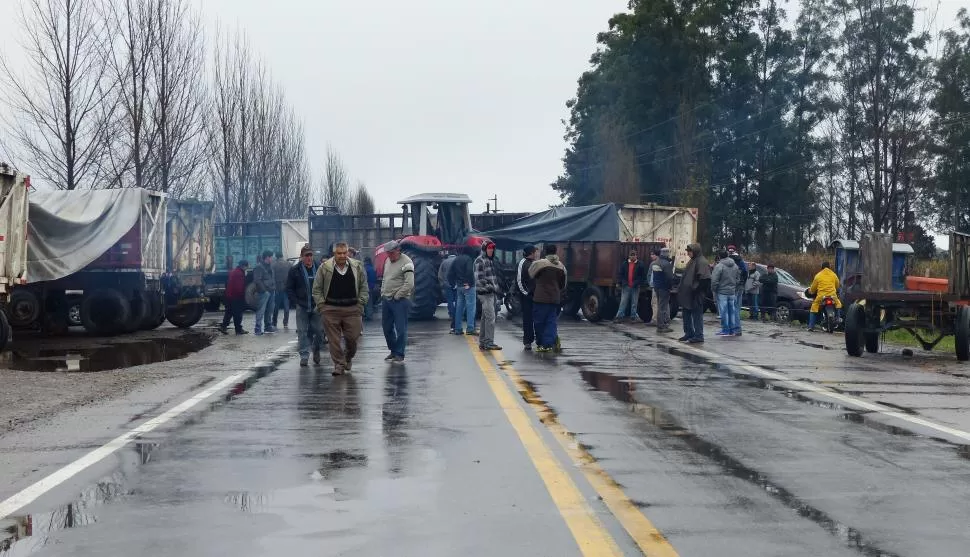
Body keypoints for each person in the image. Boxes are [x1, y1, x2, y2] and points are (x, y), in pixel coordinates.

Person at [313, 242, 368, 375]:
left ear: (348, 252)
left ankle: (348, 357)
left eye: (344, 253)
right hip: (331, 309)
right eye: (339, 253)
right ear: (334, 253)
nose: (342, 256)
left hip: (352, 309)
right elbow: (317, 289)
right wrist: (322, 306)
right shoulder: (324, 267)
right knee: (334, 340)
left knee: (352, 338)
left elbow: (363, 287)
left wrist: (360, 304)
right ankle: (338, 364)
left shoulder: (357, 266)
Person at [287, 245, 325, 366]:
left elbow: (326, 286)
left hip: (317, 306)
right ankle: (304, 356)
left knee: (319, 332)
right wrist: (295, 302)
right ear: (302, 257)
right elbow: (289, 288)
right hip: (302, 306)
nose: (309, 258)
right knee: (302, 332)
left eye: (310, 255)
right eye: (306, 255)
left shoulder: (320, 268)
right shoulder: (295, 270)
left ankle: (316, 348)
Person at [380, 240, 415, 363]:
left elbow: (409, 283)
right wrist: (383, 292)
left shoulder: (407, 262)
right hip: (386, 299)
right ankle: (393, 351)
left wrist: (398, 295)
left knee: (401, 329)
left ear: (398, 250)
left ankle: (400, 353)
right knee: (386, 327)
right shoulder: (387, 261)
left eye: (391, 253)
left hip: (399, 301)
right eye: (388, 254)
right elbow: (385, 278)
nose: (389, 256)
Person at [529, 244, 567, 353]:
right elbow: (562, 284)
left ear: (545, 252)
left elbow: (531, 274)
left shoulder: (540, 264)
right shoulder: (561, 266)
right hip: (554, 298)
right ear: (555, 252)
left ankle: (541, 343)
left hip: (541, 298)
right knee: (551, 322)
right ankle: (548, 344)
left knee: (539, 322)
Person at [677, 243, 711, 344]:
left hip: (696, 294)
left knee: (697, 315)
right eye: (687, 251)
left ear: (695, 251)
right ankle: (689, 333)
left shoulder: (701, 261)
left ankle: (699, 335)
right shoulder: (692, 261)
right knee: (686, 314)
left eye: (689, 251)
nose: (688, 253)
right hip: (688, 294)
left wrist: (698, 291)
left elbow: (705, 280)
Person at [475, 240, 502, 351]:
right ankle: (489, 342)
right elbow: (479, 279)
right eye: (489, 248)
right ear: (485, 249)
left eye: (492, 249)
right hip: (485, 293)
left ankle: (483, 342)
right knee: (491, 318)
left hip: (490, 293)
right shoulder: (480, 261)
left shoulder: (488, 260)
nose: (491, 250)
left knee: (485, 318)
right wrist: (491, 287)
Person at [448, 245, 477, 335]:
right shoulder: (469, 259)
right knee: (470, 308)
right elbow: (469, 271)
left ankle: (458, 328)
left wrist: (453, 284)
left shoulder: (456, 259)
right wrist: (468, 283)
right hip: (468, 287)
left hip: (459, 287)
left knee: (459, 308)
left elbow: (449, 274)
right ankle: (470, 328)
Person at [711, 250, 741, 337]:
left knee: (724, 312)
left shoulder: (719, 266)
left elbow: (714, 280)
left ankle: (725, 330)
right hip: (732, 292)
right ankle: (732, 330)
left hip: (722, 292)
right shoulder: (735, 265)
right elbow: (738, 278)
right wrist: (734, 286)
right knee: (732, 311)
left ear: (719, 256)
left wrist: (714, 289)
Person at [612, 249, 647, 323]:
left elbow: (642, 276)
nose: (633, 257)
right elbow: (621, 274)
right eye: (631, 255)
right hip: (626, 286)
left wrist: (636, 283)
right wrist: (622, 282)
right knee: (623, 302)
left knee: (634, 302)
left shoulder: (640, 264)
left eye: (634, 255)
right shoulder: (624, 264)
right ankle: (619, 316)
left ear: (636, 256)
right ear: (629, 256)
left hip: (635, 286)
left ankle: (633, 317)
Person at [807, 261, 841, 332]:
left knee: (814, 308)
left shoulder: (818, 275)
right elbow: (837, 285)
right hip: (832, 296)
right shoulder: (833, 275)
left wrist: (810, 291)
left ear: (821, 267)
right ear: (829, 267)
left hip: (821, 297)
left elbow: (813, 289)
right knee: (838, 304)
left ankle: (811, 326)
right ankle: (838, 318)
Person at [218, 260, 249, 335]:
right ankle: (238, 329)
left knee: (229, 312)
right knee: (238, 313)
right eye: (247, 266)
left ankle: (224, 326)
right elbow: (239, 287)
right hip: (236, 296)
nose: (247, 268)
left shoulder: (234, 271)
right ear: (243, 266)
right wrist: (242, 296)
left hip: (229, 295)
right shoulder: (239, 274)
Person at [516, 244, 538, 350]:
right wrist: (526, 293)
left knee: (537, 318)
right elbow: (519, 281)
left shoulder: (535, 263)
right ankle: (527, 341)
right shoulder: (522, 263)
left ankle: (537, 339)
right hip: (527, 297)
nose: (536, 254)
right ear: (531, 253)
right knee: (528, 319)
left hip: (536, 296)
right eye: (535, 252)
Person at [252, 250, 277, 335]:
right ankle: (258, 328)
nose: (273, 258)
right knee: (261, 310)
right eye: (271, 257)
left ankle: (268, 326)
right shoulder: (259, 267)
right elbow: (257, 280)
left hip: (271, 291)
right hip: (264, 292)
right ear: (267, 257)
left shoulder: (270, 266)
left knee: (269, 310)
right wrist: (264, 290)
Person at [651, 248, 675, 333]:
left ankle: (660, 324)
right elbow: (670, 277)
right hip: (664, 288)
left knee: (659, 305)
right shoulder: (666, 264)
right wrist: (671, 287)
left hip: (657, 287)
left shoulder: (655, 263)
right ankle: (661, 326)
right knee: (662, 307)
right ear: (666, 254)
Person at [727, 245, 747, 336]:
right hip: (740, 286)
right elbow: (746, 272)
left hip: (732, 286)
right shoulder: (740, 260)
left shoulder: (728, 260)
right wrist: (743, 283)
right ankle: (737, 329)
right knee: (737, 308)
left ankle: (733, 329)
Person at [272, 252, 291, 330]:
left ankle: (274, 322)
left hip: (278, 288)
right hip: (286, 288)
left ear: (276, 257)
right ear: (282, 256)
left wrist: (274, 287)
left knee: (276, 307)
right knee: (287, 307)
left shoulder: (273, 264)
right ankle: (285, 322)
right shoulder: (289, 264)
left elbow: (272, 277)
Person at [439, 252, 457, 324]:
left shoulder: (444, 262)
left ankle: (451, 315)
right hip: (456, 284)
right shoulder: (457, 261)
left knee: (450, 300)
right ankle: (457, 314)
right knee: (457, 300)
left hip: (447, 284)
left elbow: (440, 274)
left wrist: (442, 283)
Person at [363, 256, 378, 321]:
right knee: (369, 302)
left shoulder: (365, 269)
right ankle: (369, 315)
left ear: (365, 262)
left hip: (366, 287)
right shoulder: (372, 268)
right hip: (371, 287)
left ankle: (368, 316)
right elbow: (374, 278)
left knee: (367, 302)